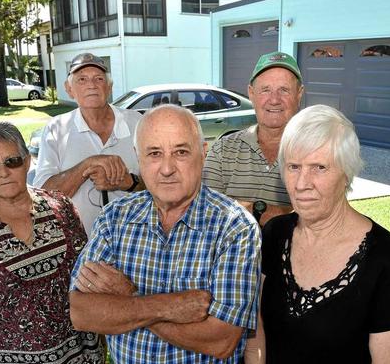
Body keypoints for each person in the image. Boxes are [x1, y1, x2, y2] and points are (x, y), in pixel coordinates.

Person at [68, 104, 262, 363]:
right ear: (138, 157)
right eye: (154, 153)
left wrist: (126, 300)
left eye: (180, 152)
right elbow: (81, 313)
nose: (167, 168)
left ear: (203, 153)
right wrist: (168, 306)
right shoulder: (114, 218)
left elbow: (221, 340)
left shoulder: (234, 227)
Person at [248, 105, 390, 363]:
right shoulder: (275, 234)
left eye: (319, 167)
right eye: (294, 166)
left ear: (347, 173)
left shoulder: (388, 264)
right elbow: (257, 332)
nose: (301, 184)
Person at [0, 122, 103, 363]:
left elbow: (89, 280)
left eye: (12, 161)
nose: (3, 172)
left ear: (27, 161)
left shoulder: (62, 208)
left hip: (84, 357)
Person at [34, 53, 144, 235]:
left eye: (99, 79)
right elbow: (44, 195)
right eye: (82, 79)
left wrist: (128, 182)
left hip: (133, 240)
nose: (91, 85)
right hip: (78, 243)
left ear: (109, 87)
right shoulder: (56, 128)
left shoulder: (137, 122)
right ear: (69, 89)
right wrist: (88, 164)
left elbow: (159, 184)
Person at [203, 51, 304, 226]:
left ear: (299, 94)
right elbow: (205, 213)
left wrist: (240, 208)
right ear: (251, 93)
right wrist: (279, 212)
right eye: (265, 90)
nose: (274, 100)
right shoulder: (223, 150)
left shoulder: (316, 151)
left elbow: (325, 217)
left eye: (284, 90)